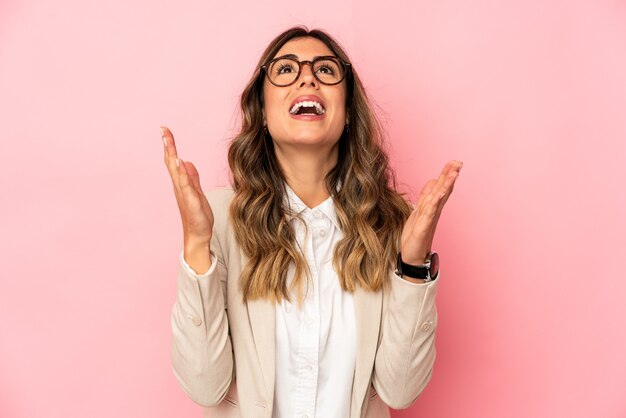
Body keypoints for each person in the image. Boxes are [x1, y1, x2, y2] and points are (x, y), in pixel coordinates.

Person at [163, 26, 462, 418]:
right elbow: (205, 385)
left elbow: (399, 390)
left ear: (349, 110)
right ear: (263, 114)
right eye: (286, 70)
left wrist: (412, 263)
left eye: (325, 70)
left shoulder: (389, 223)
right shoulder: (219, 218)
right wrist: (197, 244)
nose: (307, 77)